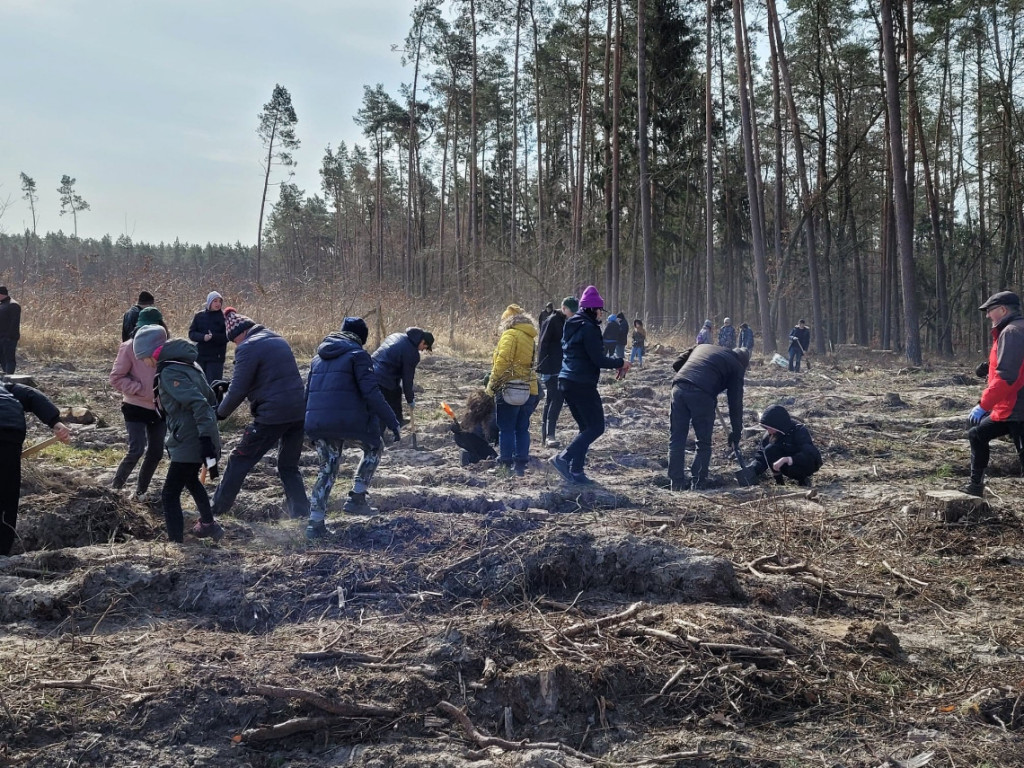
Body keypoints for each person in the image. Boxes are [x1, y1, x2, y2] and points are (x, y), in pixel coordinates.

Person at [304, 317, 402, 539]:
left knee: (327, 468)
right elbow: (371, 392)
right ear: (361, 338)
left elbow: (307, 394)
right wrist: (392, 420)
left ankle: (315, 524)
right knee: (374, 447)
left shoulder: (316, 359)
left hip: (318, 423)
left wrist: (304, 426)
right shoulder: (359, 356)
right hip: (347, 421)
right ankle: (357, 498)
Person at [212, 308, 309, 521]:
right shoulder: (277, 339)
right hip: (298, 412)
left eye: (234, 340)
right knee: (288, 466)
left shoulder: (247, 347)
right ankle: (302, 515)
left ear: (239, 334)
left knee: (239, 460)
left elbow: (239, 389)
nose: (235, 344)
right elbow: (269, 376)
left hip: (272, 415)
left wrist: (220, 413)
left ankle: (216, 510)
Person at [132, 325, 223, 543]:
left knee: (169, 494)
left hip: (190, 439)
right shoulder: (186, 363)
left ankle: (175, 544)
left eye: (143, 358)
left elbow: (200, 404)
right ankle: (209, 525)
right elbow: (210, 398)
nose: (144, 363)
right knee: (191, 480)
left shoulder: (170, 371)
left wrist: (205, 440)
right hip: (189, 436)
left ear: (153, 352)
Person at [550, 285, 630, 484]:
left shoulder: (571, 324)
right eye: (600, 310)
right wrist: (621, 362)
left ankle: (576, 472)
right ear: (593, 309)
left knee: (585, 427)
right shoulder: (589, 328)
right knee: (596, 427)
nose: (601, 314)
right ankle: (563, 458)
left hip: (566, 381)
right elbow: (599, 359)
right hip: (581, 382)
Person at [0, 379, 71, 556]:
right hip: (12, 429)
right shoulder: (5, 386)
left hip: (9, 426)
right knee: (7, 491)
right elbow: (32, 395)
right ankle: (2, 549)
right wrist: (56, 421)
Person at [964, 290, 1024, 497]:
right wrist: (988, 366)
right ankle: (975, 487)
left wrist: (983, 405)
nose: (988, 315)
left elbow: (1007, 376)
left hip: (1019, 409)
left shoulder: (1012, 332)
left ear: (1003, 310)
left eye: (990, 310)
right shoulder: (1012, 330)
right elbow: (1012, 360)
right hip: (1009, 407)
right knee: (977, 434)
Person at [668, 344, 750, 491]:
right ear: (744, 363)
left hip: (678, 387)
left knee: (677, 439)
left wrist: (693, 378)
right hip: (702, 394)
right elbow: (735, 403)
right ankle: (698, 484)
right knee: (703, 442)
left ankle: (676, 484)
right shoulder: (737, 366)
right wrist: (736, 432)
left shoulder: (704, 346)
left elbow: (676, 364)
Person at [109, 308, 168, 500]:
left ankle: (140, 492)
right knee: (137, 449)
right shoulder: (129, 347)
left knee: (156, 451)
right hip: (135, 406)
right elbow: (116, 378)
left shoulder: (166, 347)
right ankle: (115, 489)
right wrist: (140, 389)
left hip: (159, 408)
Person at [484, 304, 540, 477]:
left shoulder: (510, 335)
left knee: (506, 428)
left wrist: (491, 387)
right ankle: (521, 464)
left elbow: (502, 363)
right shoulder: (529, 337)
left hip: (510, 388)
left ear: (507, 320)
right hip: (529, 388)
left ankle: (505, 464)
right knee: (522, 428)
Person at [744, 405, 822, 487]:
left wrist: (787, 459)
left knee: (796, 469)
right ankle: (780, 483)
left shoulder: (798, 431)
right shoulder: (770, 436)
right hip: (787, 466)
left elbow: (809, 454)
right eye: (766, 428)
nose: (768, 431)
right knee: (769, 449)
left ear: (778, 425)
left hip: (806, 463)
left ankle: (803, 480)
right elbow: (762, 456)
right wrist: (752, 470)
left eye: (770, 428)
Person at [371, 327, 434, 428]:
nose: (423, 350)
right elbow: (407, 380)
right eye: (425, 347)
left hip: (370, 370)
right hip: (382, 377)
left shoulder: (397, 335)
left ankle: (397, 420)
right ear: (422, 341)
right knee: (382, 408)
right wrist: (410, 399)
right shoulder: (412, 353)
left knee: (396, 390)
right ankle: (379, 437)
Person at [537, 296, 578, 448]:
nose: (572, 315)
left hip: (562, 367)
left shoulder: (568, 322)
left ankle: (546, 436)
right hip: (551, 368)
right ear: (564, 308)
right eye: (571, 312)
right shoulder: (552, 321)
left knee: (552, 400)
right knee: (556, 399)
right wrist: (543, 368)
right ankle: (550, 435)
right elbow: (542, 344)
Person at [187, 291, 228, 382]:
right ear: (209, 302)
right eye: (215, 301)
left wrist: (213, 337)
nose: (218, 304)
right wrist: (203, 337)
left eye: (219, 301)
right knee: (199, 383)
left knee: (214, 384)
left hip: (216, 357)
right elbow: (192, 333)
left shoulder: (224, 317)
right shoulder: (199, 316)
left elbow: (227, 337)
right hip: (200, 355)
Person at [0, 286, 22, 375]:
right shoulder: (2, 305)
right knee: (2, 359)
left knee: (9, 359)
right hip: (1, 337)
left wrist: (9, 337)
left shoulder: (13, 305)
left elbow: (14, 323)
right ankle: (5, 376)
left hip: (8, 338)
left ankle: (9, 377)